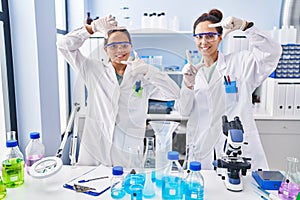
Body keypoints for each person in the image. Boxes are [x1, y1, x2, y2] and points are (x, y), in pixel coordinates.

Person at [57, 15, 180, 167]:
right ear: (105, 50)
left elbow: (174, 93)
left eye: (124, 45)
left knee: (126, 188)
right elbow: (63, 45)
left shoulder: (142, 76)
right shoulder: (93, 69)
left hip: (127, 152)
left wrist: (149, 71)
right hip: (95, 152)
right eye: (113, 46)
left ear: (131, 46)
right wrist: (91, 28)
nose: (119, 50)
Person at [179, 9, 282, 170]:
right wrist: (187, 84)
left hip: (237, 148)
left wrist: (246, 27)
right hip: (203, 150)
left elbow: (271, 52)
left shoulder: (239, 63)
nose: (204, 42)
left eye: (210, 36)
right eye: (199, 36)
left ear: (220, 37)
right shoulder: (194, 73)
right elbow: (184, 111)